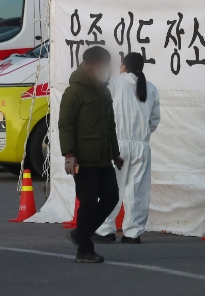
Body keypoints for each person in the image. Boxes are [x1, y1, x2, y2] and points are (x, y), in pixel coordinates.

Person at [59, 46, 123, 263]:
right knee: (88, 202)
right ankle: (84, 250)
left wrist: (116, 154)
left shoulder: (104, 91)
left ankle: (80, 233)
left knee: (111, 197)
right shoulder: (74, 92)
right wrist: (69, 154)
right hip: (83, 158)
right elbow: (65, 124)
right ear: (88, 66)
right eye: (100, 66)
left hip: (104, 157)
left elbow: (110, 127)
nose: (104, 70)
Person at [93, 53, 160, 244]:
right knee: (137, 189)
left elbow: (103, 108)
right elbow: (154, 120)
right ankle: (133, 232)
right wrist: (143, 135)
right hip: (141, 145)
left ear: (123, 66)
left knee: (112, 188)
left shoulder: (115, 82)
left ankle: (106, 229)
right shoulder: (151, 88)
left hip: (118, 144)